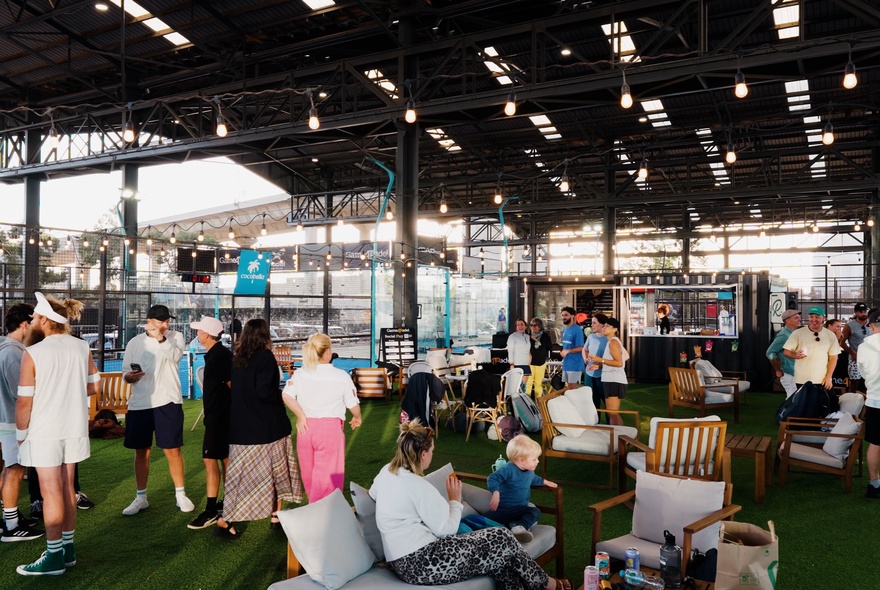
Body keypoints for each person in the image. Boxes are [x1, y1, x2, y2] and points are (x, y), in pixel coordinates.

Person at [369, 420, 570, 590]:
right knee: (500, 536)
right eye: (431, 451)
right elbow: (446, 530)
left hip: (403, 561)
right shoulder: (420, 486)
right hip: (424, 562)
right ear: (422, 454)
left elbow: (373, 494)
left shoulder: (386, 472)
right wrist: (455, 500)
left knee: (498, 560)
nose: (432, 455)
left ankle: (537, 585)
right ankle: (547, 584)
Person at [15, 293, 100, 575]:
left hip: (44, 431)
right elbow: (93, 387)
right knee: (66, 490)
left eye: (36, 318)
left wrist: (20, 434)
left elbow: (24, 401)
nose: (33, 322)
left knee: (50, 491)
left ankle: (53, 558)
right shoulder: (81, 347)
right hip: (73, 429)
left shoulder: (33, 352)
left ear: (44, 320)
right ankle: (67, 550)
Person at [215, 319, 303, 539]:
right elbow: (265, 393)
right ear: (265, 335)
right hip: (268, 428)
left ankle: (227, 520)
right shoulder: (266, 358)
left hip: (241, 430)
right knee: (277, 471)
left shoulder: (237, 359)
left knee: (239, 478)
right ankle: (276, 516)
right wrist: (283, 394)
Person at [120, 304, 194, 516]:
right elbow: (125, 372)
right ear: (150, 321)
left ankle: (180, 494)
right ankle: (141, 497)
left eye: (166, 320)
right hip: (140, 404)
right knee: (141, 451)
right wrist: (130, 377)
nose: (165, 324)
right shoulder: (135, 342)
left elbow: (175, 357)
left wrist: (160, 338)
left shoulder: (175, 337)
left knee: (173, 449)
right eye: (161, 321)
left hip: (168, 401)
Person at [282, 332, 362, 503]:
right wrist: (357, 417)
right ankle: (323, 517)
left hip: (305, 431)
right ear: (327, 352)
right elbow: (352, 404)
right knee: (328, 480)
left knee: (310, 478)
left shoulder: (301, 373)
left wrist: (301, 416)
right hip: (329, 431)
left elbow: (287, 396)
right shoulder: (341, 376)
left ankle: (318, 512)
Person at [1, 303, 43, 542]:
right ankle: (12, 527)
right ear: (25, 324)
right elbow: (21, 394)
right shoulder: (13, 353)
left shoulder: (8, 349)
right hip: (12, 422)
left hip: (7, 420)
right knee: (14, 471)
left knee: (10, 470)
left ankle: (10, 520)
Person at [187, 316, 232, 530]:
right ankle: (227, 503)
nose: (197, 335)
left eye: (199, 331)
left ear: (206, 334)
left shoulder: (219, 357)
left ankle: (212, 509)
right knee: (222, 458)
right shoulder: (217, 354)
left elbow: (233, 386)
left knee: (211, 460)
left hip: (220, 417)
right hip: (219, 416)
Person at [483, 435, 557, 543]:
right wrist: (496, 492)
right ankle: (507, 529)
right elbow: (493, 478)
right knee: (481, 519)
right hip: (503, 510)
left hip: (520, 510)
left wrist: (544, 482)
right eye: (534, 459)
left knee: (535, 512)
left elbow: (533, 479)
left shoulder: (529, 471)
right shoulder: (509, 469)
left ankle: (518, 528)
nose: (537, 461)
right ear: (521, 460)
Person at [782, 306, 841, 391]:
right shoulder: (798, 333)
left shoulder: (830, 335)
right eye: (811, 316)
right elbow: (786, 352)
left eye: (817, 317)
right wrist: (795, 355)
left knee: (825, 403)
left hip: (822, 379)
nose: (814, 319)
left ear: (823, 318)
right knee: (804, 404)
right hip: (802, 379)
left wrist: (828, 377)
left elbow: (833, 358)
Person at [587, 317, 628, 426]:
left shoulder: (613, 342)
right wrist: (599, 365)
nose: (604, 328)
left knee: (612, 413)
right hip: (611, 380)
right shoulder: (611, 341)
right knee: (612, 413)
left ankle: (617, 438)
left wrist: (600, 360)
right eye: (604, 325)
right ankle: (620, 438)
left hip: (614, 380)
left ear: (615, 329)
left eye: (607, 326)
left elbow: (619, 363)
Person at [857, 310, 880, 499]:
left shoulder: (864, 348)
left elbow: (863, 374)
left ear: (871, 326)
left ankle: (874, 485)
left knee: (875, 443)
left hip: (874, 400)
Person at [766, 309, 801, 398]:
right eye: (796, 318)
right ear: (787, 321)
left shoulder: (794, 334)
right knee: (793, 401)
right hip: (789, 374)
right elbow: (770, 353)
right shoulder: (783, 335)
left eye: (799, 317)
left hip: (796, 373)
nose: (799, 319)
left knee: (796, 401)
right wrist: (778, 370)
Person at [582, 313, 608, 422]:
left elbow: (614, 359)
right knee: (592, 401)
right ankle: (594, 424)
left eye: (594, 323)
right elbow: (585, 349)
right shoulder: (591, 337)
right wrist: (585, 359)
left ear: (602, 325)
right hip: (589, 374)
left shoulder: (609, 339)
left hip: (603, 375)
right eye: (592, 323)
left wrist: (600, 365)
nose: (591, 325)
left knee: (607, 403)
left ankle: (610, 426)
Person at [842, 303, 870, 392]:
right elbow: (841, 342)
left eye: (865, 311)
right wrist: (853, 353)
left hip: (870, 358)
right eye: (860, 312)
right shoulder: (849, 326)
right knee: (854, 383)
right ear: (856, 313)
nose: (863, 314)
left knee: (870, 383)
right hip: (855, 359)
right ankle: (852, 403)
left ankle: (868, 404)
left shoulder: (872, 324)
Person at [558, 306, 584, 390]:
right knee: (567, 388)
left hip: (575, 365)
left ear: (572, 316)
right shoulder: (565, 329)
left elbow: (581, 348)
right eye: (562, 315)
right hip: (566, 364)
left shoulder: (577, 330)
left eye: (566, 315)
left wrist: (567, 351)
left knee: (572, 389)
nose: (563, 317)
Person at [526, 318, 551, 398]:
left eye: (535, 325)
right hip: (529, 363)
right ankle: (527, 402)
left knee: (538, 384)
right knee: (528, 384)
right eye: (531, 325)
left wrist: (537, 341)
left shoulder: (545, 336)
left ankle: (538, 402)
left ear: (540, 326)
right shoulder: (527, 336)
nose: (533, 327)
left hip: (540, 363)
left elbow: (549, 347)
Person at [507, 319, 531, 386]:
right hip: (517, 364)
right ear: (516, 327)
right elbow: (510, 350)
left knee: (523, 387)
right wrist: (511, 364)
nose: (520, 326)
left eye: (522, 324)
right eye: (518, 325)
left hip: (526, 364)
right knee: (516, 386)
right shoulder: (512, 337)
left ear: (525, 326)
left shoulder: (527, 336)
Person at [826, 318, 849, 390]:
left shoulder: (837, 335)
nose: (839, 328)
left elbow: (837, 348)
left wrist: (840, 340)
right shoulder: (825, 335)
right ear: (830, 326)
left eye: (840, 326)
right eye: (837, 326)